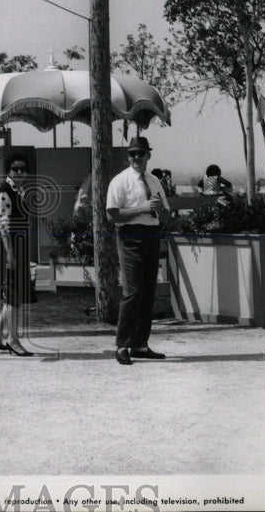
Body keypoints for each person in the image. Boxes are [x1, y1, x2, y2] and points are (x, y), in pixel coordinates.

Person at [106, 136, 171, 366]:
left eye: (140, 153)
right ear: (128, 156)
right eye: (132, 153)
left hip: (152, 236)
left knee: (147, 291)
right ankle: (122, 345)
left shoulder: (154, 181)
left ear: (148, 155)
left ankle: (140, 345)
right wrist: (142, 208)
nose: (136, 158)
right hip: (130, 237)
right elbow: (112, 214)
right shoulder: (120, 181)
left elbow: (165, 212)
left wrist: (160, 210)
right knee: (132, 292)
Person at [0, 153, 36, 356]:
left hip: (18, 245)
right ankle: (12, 340)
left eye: (23, 169)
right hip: (9, 246)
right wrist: (10, 254)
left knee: (14, 294)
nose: (19, 172)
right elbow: (3, 225)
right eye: (15, 169)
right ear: (8, 170)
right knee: (13, 295)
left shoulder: (18, 190)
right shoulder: (5, 192)